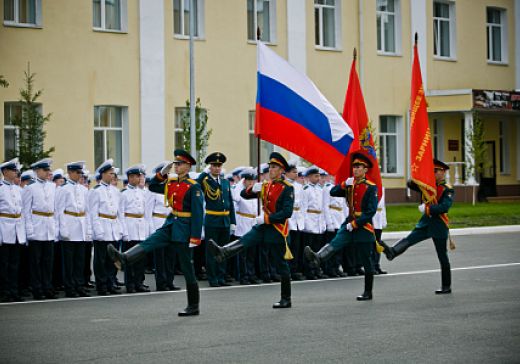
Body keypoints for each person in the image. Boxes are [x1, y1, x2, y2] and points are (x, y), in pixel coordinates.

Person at [108, 149, 204, 316]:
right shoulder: (173, 182)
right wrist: (162, 173)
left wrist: (195, 237)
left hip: (184, 228)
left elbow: (198, 214)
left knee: (187, 267)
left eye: (179, 164)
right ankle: (125, 258)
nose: (176, 166)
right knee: (151, 241)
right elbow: (152, 186)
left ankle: (193, 305)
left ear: (187, 167)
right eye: (175, 163)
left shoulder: (193, 187)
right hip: (171, 223)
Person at [208, 152, 294, 309]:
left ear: (282, 170)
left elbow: (287, 213)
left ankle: (286, 298)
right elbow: (243, 195)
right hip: (262, 227)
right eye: (270, 167)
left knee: (281, 264)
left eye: (274, 167)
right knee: (246, 240)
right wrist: (252, 189)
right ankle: (223, 252)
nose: (271, 170)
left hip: (277, 229)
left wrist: (268, 219)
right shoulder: (266, 185)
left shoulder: (287, 188)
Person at [304, 150, 379, 301]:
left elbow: (370, 211)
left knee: (366, 260)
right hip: (349, 221)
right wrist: (344, 184)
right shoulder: (350, 184)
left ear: (365, 170)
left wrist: (356, 223)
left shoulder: (371, 187)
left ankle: (368, 291)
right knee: (336, 241)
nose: (356, 169)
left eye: (359, 167)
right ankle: (318, 257)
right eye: (354, 167)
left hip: (363, 226)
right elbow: (333, 192)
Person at [379, 159, 455, 294]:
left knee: (442, 256)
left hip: (438, 224)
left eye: (435, 171)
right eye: (431, 171)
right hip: (426, 223)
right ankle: (392, 252)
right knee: (409, 239)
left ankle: (446, 286)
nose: (433, 173)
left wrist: (427, 209)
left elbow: (444, 207)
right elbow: (410, 184)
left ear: (443, 172)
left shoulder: (447, 189)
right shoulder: (427, 185)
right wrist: (419, 173)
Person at [197, 152, 236, 287]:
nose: (217, 168)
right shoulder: (205, 180)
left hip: (225, 220)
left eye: (219, 165)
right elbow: (196, 184)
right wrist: (204, 173)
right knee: (211, 251)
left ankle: (221, 277)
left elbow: (230, 202)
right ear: (210, 167)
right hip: (212, 220)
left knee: (224, 250)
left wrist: (233, 221)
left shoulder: (225, 182)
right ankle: (212, 278)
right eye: (214, 165)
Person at [22, 158, 57, 300]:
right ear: (37, 171)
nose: (47, 172)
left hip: (49, 225)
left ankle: (47, 286)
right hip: (36, 225)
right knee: (36, 261)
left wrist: (55, 227)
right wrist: (29, 229)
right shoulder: (30, 187)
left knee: (48, 260)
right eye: (45, 170)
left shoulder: (52, 186)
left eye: (48, 170)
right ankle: (37, 288)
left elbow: (54, 208)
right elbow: (26, 210)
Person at [55, 161, 91, 298]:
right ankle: (70, 287)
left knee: (79, 260)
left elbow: (87, 211)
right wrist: (63, 229)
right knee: (69, 261)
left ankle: (79, 285)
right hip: (69, 226)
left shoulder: (83, 189)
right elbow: (59, 210)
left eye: (80, 173)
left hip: (80, 226)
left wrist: (88, 229)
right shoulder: (63, 189)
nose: (79, 175)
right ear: (69, 173)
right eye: (77, 172)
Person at [89, 159, 122, 296]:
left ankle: (111, 282)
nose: (112, 176)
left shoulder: (115, 191)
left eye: (113, 173)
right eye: (110, 173)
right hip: (102, 226)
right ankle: (101, 285)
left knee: (112, 259)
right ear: (102, 174)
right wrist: (97, 230)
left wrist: (120, 228)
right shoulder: (95, 191)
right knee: (100, 259)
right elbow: (93, 213)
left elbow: (118, 212)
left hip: (113, 227)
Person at [148, 163, 181, 291]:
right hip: (158, 222)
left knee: (170, 255)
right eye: (165, 174)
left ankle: (169, 281)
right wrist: (151, 229)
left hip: (171, 223)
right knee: (160, 257)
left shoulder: (172, 188)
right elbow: (148, 211)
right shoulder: (154, 191)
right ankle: (161, 283)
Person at [118, 164, 149, 293]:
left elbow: (145, 213)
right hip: (129, 226)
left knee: (140, 258)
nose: (140, 179)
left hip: (140, 226)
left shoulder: (142, 193)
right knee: (129, 258)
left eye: (140, 176)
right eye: (137, 176)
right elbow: (120, 213)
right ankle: (130, 284)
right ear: (130, 177)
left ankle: (139, 282)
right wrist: (124, 232)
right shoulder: (123, 194)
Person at [0, 158, 26, 302]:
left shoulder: (18, 189)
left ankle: (13, 290)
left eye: (16, 170)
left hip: (16, 229)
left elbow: (21, 211)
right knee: (4, 263)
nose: (16, 172)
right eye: (13, 170)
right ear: (5, 172)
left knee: (15, 263)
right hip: (4, 228)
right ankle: (4, 291)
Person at [372, 187, 387, 275]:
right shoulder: (369, 187)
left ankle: (377, 265)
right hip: (372, 218)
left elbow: (383, 206)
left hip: (379, 219)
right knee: (372, 244)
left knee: (378, 244)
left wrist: (384, 220)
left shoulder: (382, 188)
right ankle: (371, 266)